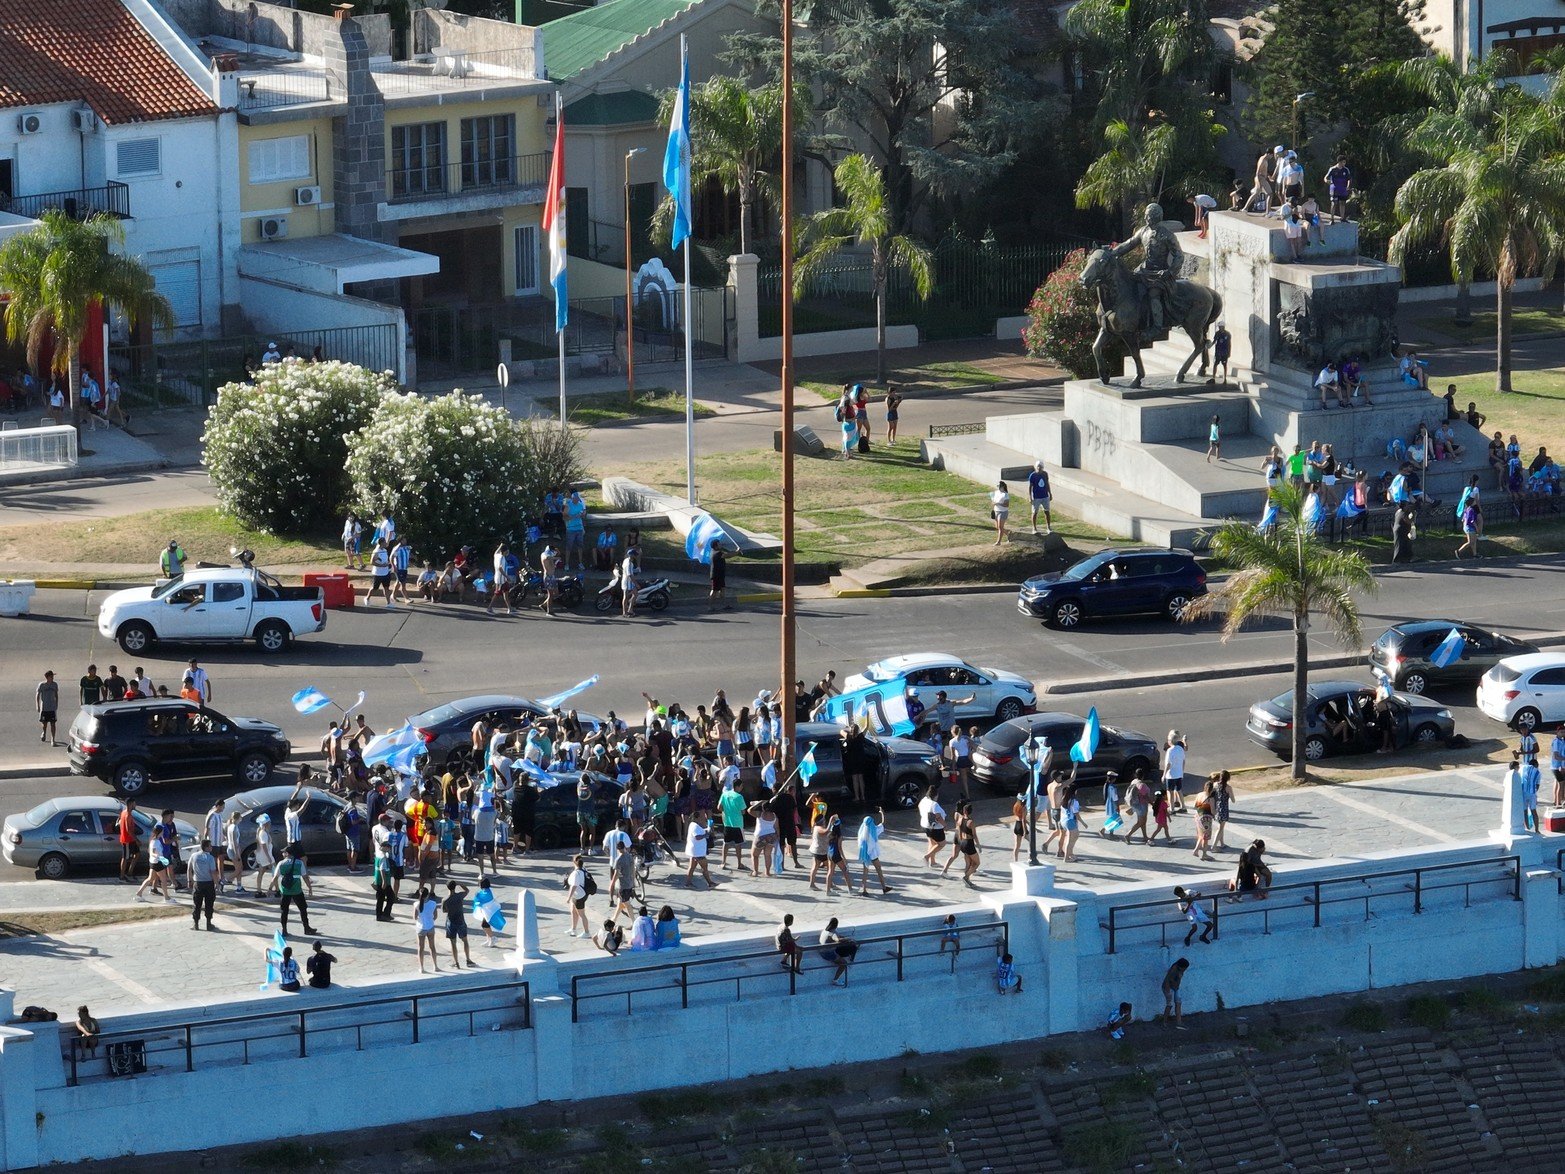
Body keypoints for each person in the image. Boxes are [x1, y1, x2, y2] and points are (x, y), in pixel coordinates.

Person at [1110, 202, 1182, 330]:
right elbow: (1128, 244)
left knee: (1154, 295)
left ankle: (1157, 327)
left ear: (1156, 216)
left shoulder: (1167, 235)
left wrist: (1170, 271)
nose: (1145, 218)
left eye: (1148, 216)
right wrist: (1110, 254)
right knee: (1129, 286)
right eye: (1145, 215)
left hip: (1160, 275)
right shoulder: (1143, 231)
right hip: (1144, 270)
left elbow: (1179, 256)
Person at [273, 846, 318, 936]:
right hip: (297, 890)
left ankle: (284, 930)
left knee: (284, 911)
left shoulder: (281, 864)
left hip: (285, 891)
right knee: (303, 909)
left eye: (284, 852)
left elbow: (275, 878)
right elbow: (305, 877)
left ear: (287, 854)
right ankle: (306, 928)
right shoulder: (299, 863)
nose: (282, 854)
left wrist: (273, 889)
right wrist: (309, 887)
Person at [856, 809, 893, 895]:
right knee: (879, 870)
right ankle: (884, 887)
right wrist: (882, 813)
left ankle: (864, 890)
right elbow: (883, 824)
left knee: (865, 871)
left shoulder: (862, 831)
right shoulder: (874, 830)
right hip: (873, 854)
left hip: (865, 854)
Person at [187, 838, 219, 931]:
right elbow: (213, 872)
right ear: (206, 847)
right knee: (209, 904)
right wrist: (217, 883)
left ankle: (196, 924)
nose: (211, 847)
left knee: (197, 904)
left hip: (198, 883)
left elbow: (189, 869)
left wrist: (189, 880)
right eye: (210, 846)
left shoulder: (194, 856)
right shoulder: (210, 858)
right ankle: (208, 924)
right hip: (208, 883)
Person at [443, 880, 474, 968]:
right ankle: (468, 959)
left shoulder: (445, 900)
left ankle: (456, 962)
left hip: (451, 922)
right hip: (461, 920)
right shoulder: (460, 895)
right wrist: (460, 884)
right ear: (455, 886)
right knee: (465, 941)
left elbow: (444, 910)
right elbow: (467, 890)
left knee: (453, 943)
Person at [819, 917, 858, 987]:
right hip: (828, 953)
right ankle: (835, 980)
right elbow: (837, 939)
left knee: (845, 948)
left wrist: (845, 938)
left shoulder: (825, 930)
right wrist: (849, 939)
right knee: (844, 963)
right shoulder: (832, 934)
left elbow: (839, 937)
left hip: (822, 950)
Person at [917, 785, 946, 866]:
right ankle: (927, 856)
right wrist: (944, 825)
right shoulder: (934, 804)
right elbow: (938, 817)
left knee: (932, 842)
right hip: (935, 828)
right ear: (935, 795)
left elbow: (919, 806)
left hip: (925, 825)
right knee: (941, 844)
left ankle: (932, 862)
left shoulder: (924, 800)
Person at [414, 886, 441, 973]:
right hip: (430, 927)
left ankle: (421, 967)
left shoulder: (416, 904)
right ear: (428, 894)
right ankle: (435, 966)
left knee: (421, 948)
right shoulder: (433, 903)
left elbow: (414, 917)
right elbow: (435, 916)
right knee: (432, 947)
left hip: (421, 927)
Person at [684, 816, 713, 888]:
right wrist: (706, 835)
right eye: (700, 818)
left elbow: (700, 831)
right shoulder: (695, 826)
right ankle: (710, 883)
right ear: (696, 818)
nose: (702, 819)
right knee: (704, 867)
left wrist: (707, 829)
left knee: (692, 867)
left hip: (695, 851)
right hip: (698, 852)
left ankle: (688, 883)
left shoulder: (693, 825)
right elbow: (697, 837)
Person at [1161, 958, 1190, 1028]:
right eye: (1184, 968)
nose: (1185, 970)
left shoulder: (1178, 969)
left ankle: (1178, 1022)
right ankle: (1164, 1023)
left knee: (1178, 1003)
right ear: (1181, 967)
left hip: (1175, 987)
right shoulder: (1173, 970)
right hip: (1168, 988)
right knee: (1169, 1005)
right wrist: (1168, 991)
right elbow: (1168, 981)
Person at [1325, 156, 1352, 223]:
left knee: (1342, 203)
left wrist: (1348, 186)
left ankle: (1342, 218)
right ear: (1340, 162)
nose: (1344, 163)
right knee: (1334, 203)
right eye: (1344, 162)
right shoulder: (1332, 169)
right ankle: (1332, 219)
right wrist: (1326, 181)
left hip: (1343, 189)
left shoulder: (1346, 169)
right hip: (1334, 188)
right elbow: (1326, 177)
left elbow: (1349, 179)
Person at [1027, 461, 1052, 535]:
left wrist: (1050, 493)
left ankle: (1048, 527)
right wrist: (1030, 497)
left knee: (1047, 512)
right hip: (1036, 497)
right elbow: (1030, 486)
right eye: (1038, 466)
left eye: (1041, 467)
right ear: (1036, 467)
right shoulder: (1033, 475)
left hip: (1045, 496)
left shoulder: (1045, 474)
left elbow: (1047, 483)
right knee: (1035, 512)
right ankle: (1034, 528)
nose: (1039, 468)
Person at [36, 670, 59, 746]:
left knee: (53, 724)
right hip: (44, 708)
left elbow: (56, 694)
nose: (52, 677)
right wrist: (38, 705)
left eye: (53, 676)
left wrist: (56, 704)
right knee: (44, 724)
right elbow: (37, 695)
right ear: (47, 677)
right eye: (51, 676)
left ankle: (53, 739)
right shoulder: (42, 685)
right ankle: (44, 733)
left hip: (52, 708)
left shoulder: (55, 685)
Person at [708, 543, 729, 612]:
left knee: (722, 589)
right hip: (716, 575)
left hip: (720, 575)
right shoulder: (717, 553)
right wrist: (737, 551)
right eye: (719, 544)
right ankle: (710, 607)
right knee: (714, 591)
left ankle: (725, 605)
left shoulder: (714, 552)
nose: (721, 544)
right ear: (716, 546)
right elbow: (728, 555)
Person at [990, 480, 1010, 545]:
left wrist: (998, 503)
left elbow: (1006, 505)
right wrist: (993, 505)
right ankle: (1009, 534)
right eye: (997, 486)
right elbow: (993, 501)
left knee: (1000, 527)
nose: (998, 487)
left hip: (1003, 512)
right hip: (996, 511)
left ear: (1003, 486)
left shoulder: (1005, 495)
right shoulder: (996, 492)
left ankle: (998, 542)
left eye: (999, 486)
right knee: (997, 527)